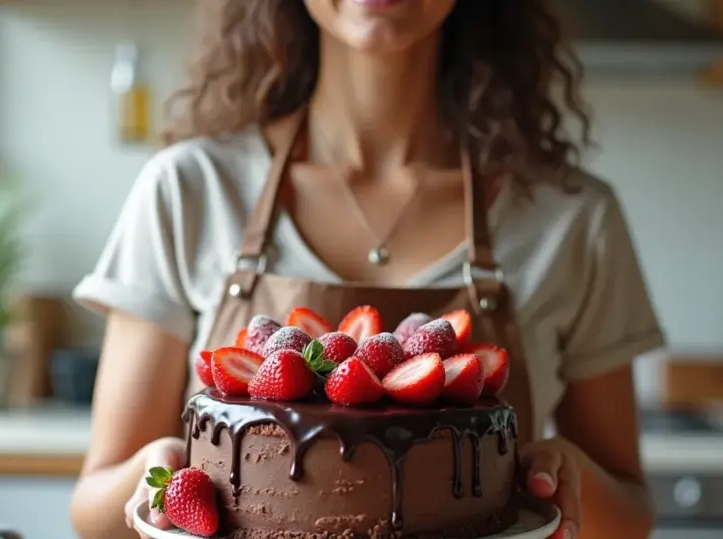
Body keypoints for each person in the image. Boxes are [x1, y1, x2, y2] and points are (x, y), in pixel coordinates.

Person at [68, 2, 665, 539]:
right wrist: (160, 474)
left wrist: (566, 473)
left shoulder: (573, 218)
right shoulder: (188, 190)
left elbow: (630, 516)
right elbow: (92, 515)